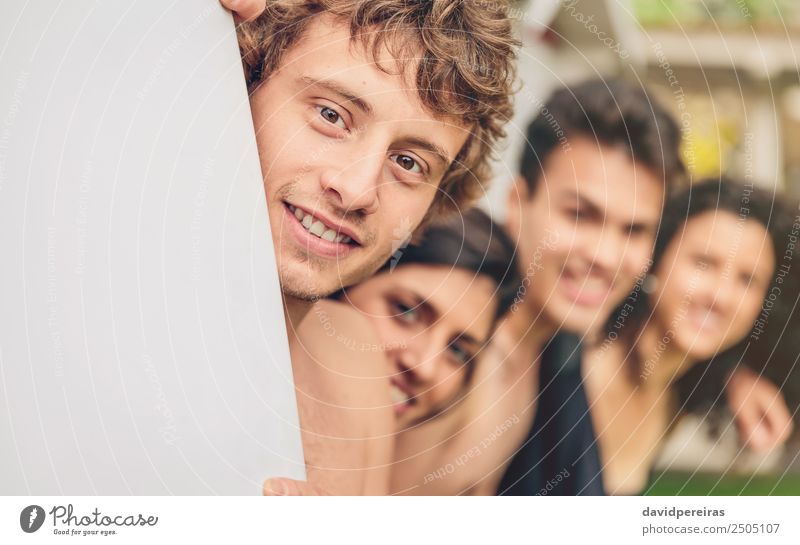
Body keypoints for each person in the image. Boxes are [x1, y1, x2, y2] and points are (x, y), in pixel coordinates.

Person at [233, 0, 518, 494]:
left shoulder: (358, 377)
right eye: (331, 115)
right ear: (244, 80)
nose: (358, 189)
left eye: (408, 163)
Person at [389, 77, 685, 495]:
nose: (605, 256)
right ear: (517, 205)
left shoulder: (552, 352)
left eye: (634, 231)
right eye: (580, 215)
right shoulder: (444, 351)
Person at [585, 178, 794, 494]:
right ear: (655, 260)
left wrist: (736, 377)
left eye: (747, 280)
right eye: (704, 263)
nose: (720, 296)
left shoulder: (680, 398)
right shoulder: (579, 364)